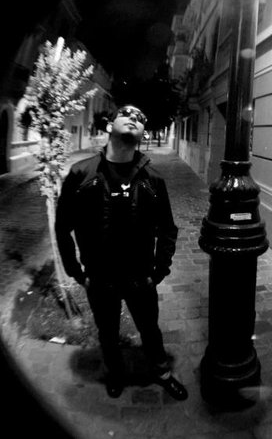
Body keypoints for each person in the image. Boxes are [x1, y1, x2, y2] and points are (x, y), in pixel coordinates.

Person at [55, 104, 187, 401]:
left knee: (149, 329)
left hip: (141, 276)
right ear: (108, 126)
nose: (135, 118)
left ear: (142, 134)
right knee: (107, 331)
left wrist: (159, 271)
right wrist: (76, 272)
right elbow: (63, 227)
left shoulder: (153, 179)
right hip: (100, 277)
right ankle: (115, 373)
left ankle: (162, 373)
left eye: (141, 118)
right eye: (126, 113)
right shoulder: (81, 173)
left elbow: (168, 228)